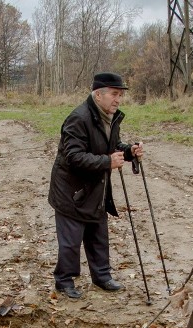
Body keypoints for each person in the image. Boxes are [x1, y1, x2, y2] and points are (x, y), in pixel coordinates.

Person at [48, 72, 144, 299]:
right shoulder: (78, 118)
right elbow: (73, 156)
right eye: (114, 94)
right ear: (98, 94)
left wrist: (129, 151)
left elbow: (112, 145)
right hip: (70, 190)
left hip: (95, 187)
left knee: (98, 234)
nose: (118, 99)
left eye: (120, 95)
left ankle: (102, 277)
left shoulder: (109, 116)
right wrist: (107, 162)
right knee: (71, 242)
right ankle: (64, 281)